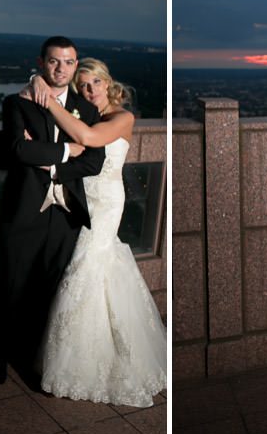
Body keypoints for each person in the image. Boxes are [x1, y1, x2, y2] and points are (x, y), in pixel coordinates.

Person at [24, 58, 167, 407]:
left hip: (105, 203)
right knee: (94, 270)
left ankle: (88, 365)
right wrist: (38, 148)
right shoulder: (86, 115)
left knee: (84, 269)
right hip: (81, 199)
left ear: (108, 83)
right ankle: (88, 354)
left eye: (95, 83)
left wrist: (51, 100)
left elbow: (87, 139)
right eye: (83, 85)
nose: (90, 91)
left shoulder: (122, 118)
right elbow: (71, 152)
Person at [0, 37, 105, 387]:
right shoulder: (18, 102)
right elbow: (18, 150)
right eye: (54, 61)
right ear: (42, 63)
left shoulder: (87, 109)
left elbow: (94, 162)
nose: (61, 68)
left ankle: (35, 358)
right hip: (25, 209)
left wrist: (51, 162)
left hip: (66, 216)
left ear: (76, 65)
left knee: (50, 290)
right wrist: (66, 150)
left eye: (69, 62)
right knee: (11, 286)